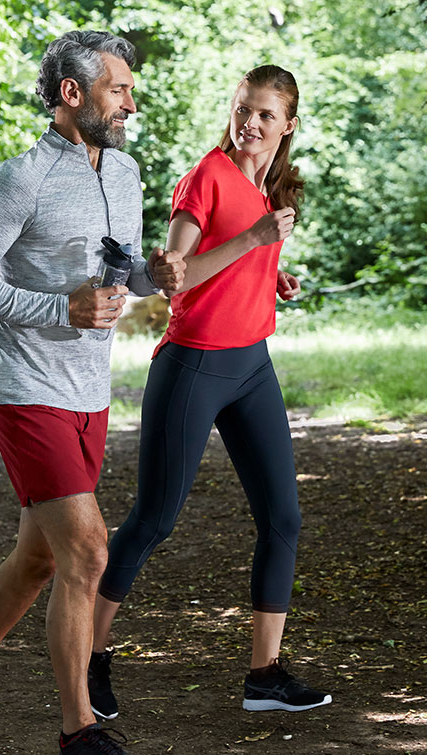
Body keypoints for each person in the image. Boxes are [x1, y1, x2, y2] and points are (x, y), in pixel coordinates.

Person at [0, 31, 184, 755]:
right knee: (88, 553)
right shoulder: (22, 178)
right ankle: (79, 733)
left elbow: (117, 268)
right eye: (118, 89)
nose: (131, 101)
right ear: (72, 94)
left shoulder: (128, 171)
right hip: (24, 390)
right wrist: (56, 308)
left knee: (41, 557)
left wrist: (149, 273)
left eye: (130, 88)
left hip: (87, 395)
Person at [88, 65, 331, 721]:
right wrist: (253, 243)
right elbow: (179, 278)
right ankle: (88, 655)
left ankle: (265, 675)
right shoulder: (207, 177)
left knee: (284, 518)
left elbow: (241, 257)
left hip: (251, 364)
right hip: (195, 364)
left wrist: (268, 272)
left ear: (288, 126)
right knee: (155, 521)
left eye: (265, 116)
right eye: (242, 109)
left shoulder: (266, 184)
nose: (250, 124)